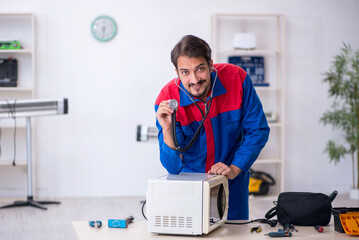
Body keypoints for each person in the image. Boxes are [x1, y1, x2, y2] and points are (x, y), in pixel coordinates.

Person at [154, 35, 269, 220]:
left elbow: (258, 131)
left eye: (199, 69)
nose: (194, 79)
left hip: (231, 180)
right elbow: (173, 168)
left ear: (210, 65)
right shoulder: (166, 100)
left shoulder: (237, 79)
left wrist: (234, 168)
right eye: (185, 72)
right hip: (190, 185)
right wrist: (167, 130)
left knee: (234, 234)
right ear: (176, 72)